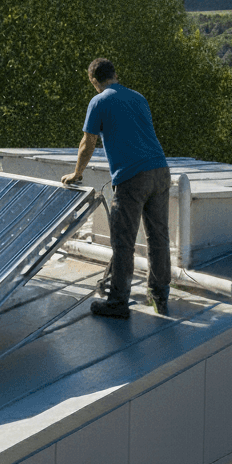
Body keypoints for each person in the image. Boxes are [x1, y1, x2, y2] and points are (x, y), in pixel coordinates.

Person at [61, 58, 171, 318]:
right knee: (159, 238)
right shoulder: (138, 97)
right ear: (116, 74)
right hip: (161, 171)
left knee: (123, 242)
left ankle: (118, 302)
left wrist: (77, 174)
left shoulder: (99, 101)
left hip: (133, 177)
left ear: (94, 81)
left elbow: (88, 143)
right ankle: (160, 295)